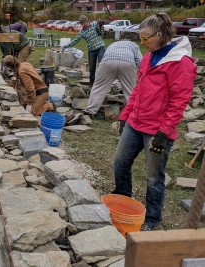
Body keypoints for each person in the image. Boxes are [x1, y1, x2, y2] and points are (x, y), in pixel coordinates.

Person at [112, 13, 197, 231]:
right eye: (140, 38)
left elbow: (179, 101)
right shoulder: (150, 56)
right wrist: (125, 115)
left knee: (153, 177)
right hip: (135, 122)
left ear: (160, 35)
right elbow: (138, 90)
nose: (142, 43)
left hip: (157, 130)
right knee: (120, 163)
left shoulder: (181, 63)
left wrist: (163, 133)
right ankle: (122, 201)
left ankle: (151, 219)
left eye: (145, 38)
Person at [83, 40, 143, 117]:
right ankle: (134, 113)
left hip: (107, 62)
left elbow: (104, 57)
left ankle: (90, 112)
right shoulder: (134, 45)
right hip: (127, 63)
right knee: (131, 90)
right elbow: (141, 62)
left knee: (98, 87)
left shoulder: (113, 44)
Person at [62, 15, 105, 88]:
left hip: (100, 47)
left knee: (102, 64)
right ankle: (91, 83)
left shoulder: (94, 24)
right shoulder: (82, 31)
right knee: (91, 68)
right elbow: (75, 40)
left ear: (87, 21)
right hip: (91, 50)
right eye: (81, 24)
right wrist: (66, 46)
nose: (82, 25)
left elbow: (102, 34)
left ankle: (102, 82)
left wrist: (101, 26)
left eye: (83, 23)